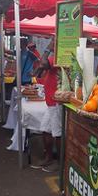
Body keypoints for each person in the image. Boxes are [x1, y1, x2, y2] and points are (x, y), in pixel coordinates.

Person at [33, 37, 62, 170]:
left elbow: (43, 63)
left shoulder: (58, 58)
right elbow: (38, 71)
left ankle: (60, 163)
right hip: (50, 101)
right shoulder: (55, 58)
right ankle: (49, 157)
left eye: (53, 41)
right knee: (45, 130)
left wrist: (48, 49)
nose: (51, 42)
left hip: (56, 102)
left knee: (57, 133)